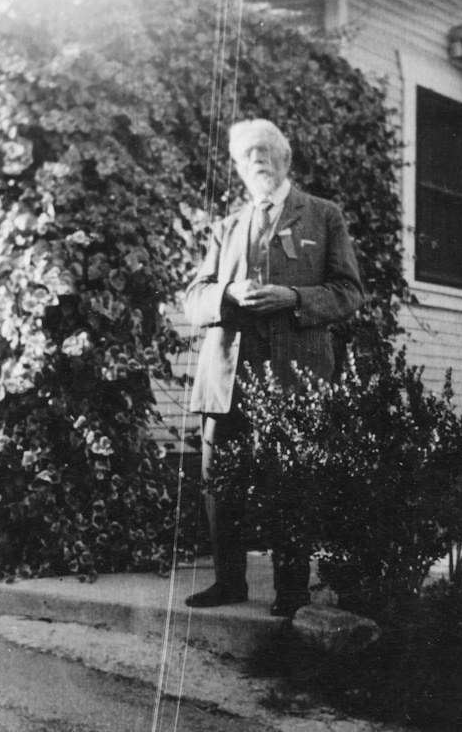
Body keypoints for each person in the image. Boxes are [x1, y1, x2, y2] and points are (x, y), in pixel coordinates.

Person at [183, 118, 364, 617]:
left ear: (286, 160)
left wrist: (293, 297)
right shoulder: (227, 227)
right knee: (221, 480)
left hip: (295, 370)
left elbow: (349, 293)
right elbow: (193, 298)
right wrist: (225, 294)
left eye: (265, 151)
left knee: (293, 477)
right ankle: (228, 583)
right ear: (239, 169)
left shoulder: (323, 217)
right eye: (247, 155)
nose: (257, 160)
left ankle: (290, 591)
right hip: (229, 373)